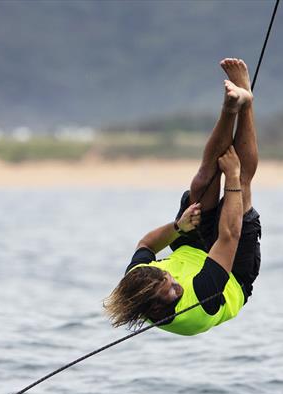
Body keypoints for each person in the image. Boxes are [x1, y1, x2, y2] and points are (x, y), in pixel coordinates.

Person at [104, 58, 261, 336]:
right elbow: (229, 236)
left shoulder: (137, 280)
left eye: (168, 276)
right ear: (155, 309)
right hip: (232, 273)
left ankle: (229, 106)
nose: (176, 281)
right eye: (172, 288)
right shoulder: (200, 301)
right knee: (241, 183)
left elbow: (146, 243)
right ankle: (246, 102)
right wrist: (233, 179)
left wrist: (179, 228)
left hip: (191, 251)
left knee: (203, 181)